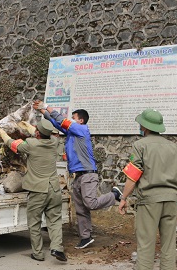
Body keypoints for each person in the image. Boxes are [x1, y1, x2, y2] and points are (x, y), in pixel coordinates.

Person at [34, 101, 121, 249]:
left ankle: (114, 195)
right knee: (81, 209)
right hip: (78, 176)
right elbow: (56, 123)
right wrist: (43, 112)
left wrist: (46, 106)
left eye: (73, 118)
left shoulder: (82, 129)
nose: (70, 120)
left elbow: (61, 120)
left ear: (80, 120)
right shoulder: (71, 132)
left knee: (90, 203)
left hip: (88, 174)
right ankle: (85, 237)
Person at [118, 109, 177, 270]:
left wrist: (123, 198)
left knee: (146, 243)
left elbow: (133, 176)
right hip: (171, 200)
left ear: (144, 127)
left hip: (149, 201)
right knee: (168, 243)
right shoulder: (173, 147)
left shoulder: (140, 146)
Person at [0, 119, 67, 262]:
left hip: (38, 190)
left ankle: (38, 253)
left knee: (34, 222)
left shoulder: (32, 144)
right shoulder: (54, 143)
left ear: (37, 134)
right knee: (55, 220)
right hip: (54, 189)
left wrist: (3, 134)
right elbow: (44, 135)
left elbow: (13, 144)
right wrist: (31, 127)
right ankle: (57, 247)